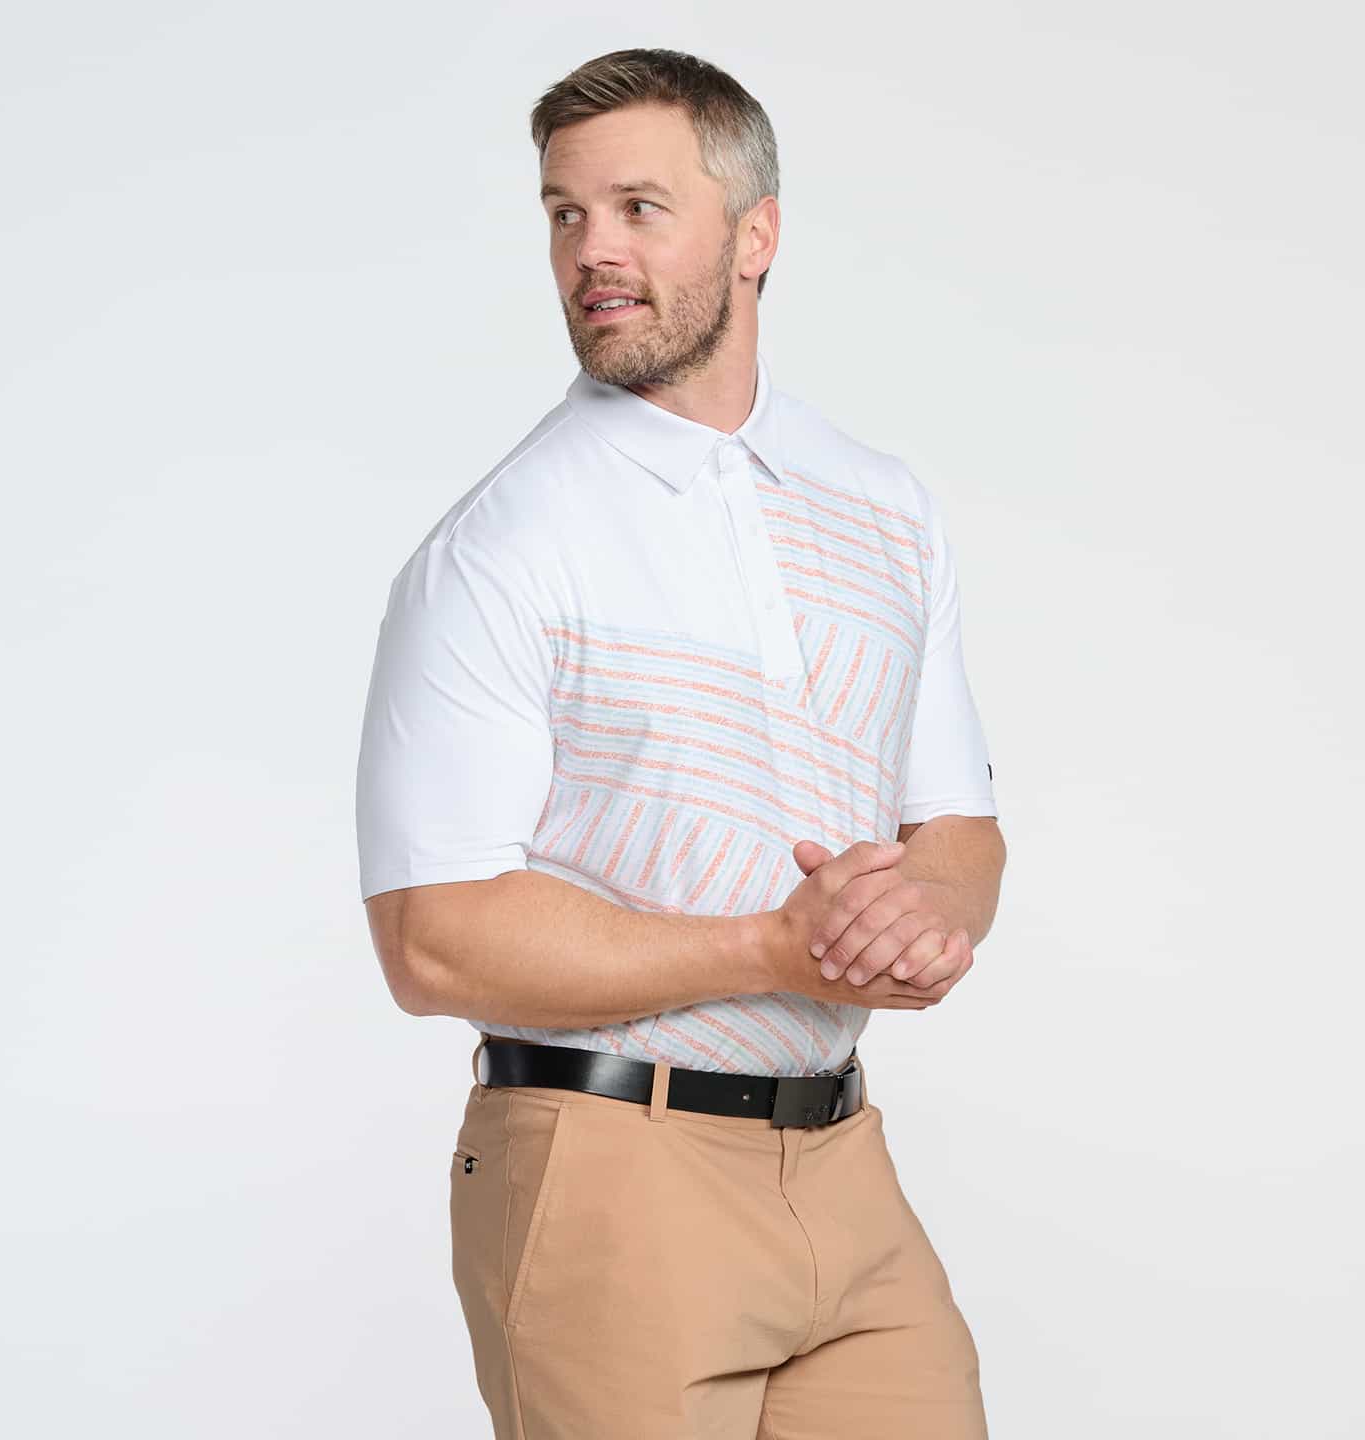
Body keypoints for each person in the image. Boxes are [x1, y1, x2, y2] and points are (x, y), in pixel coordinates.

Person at [355, 46, 1006, 1440]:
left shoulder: (883, 505)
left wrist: (927, 919)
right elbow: (433, 941)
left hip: (842, 1158)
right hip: (607, 1168)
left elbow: (955, 825)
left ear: (755, 235)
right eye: (565, 213)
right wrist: (775, 947)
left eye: (639, 208)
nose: (592, 250)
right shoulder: (501, 549)